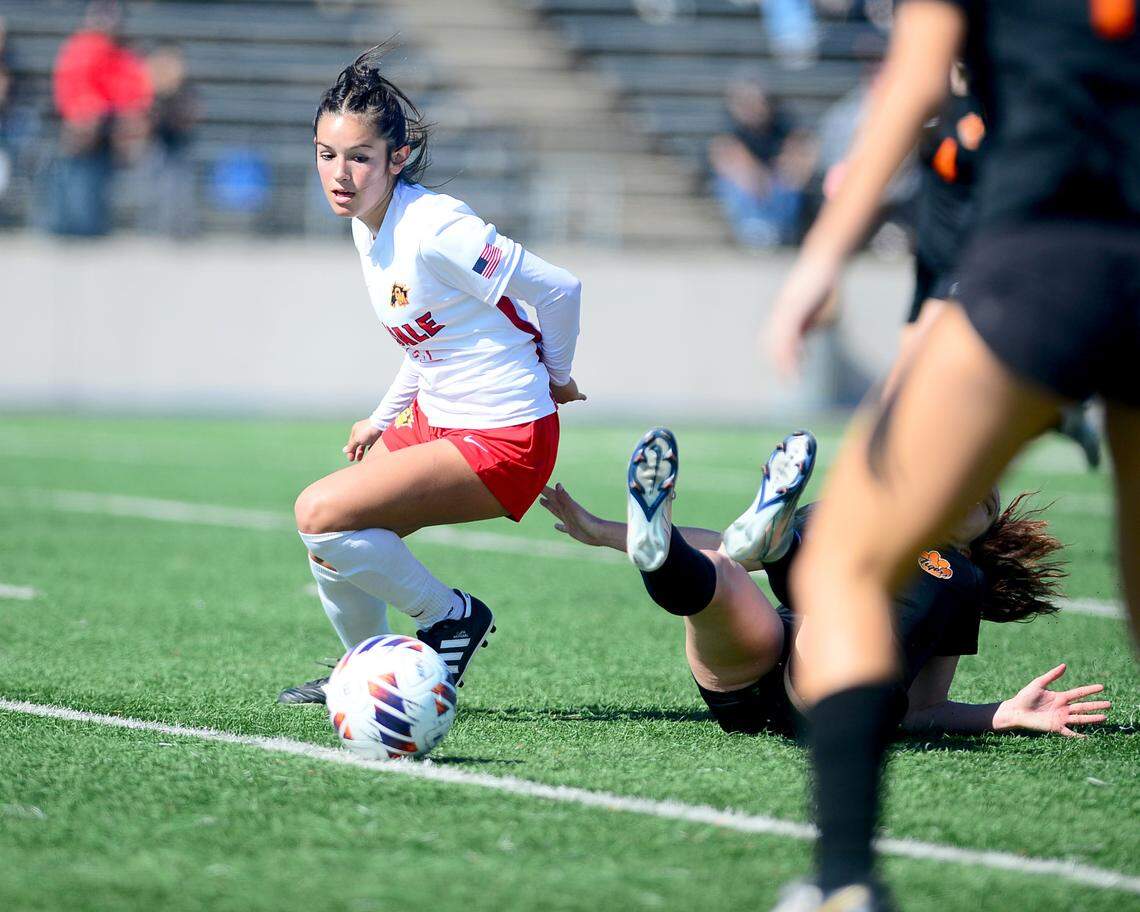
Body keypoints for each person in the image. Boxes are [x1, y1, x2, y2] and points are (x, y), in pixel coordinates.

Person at [762, 1, 1139, 908]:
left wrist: (822, 257)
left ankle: (845, 881)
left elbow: (916, 78)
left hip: (1052, 256)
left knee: (846, 561)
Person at [279, 47, 585, 704]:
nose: (339, 173)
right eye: (326, 154)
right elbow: (430, 343)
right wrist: (381, 419)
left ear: (398, 155)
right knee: (332, 539)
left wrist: (559, 376)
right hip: (439, 418)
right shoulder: (369, 222)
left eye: (359, 156)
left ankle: (449, 617)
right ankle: (365, 673)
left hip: (505, 434)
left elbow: (559, 290)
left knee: (319, 512)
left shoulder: (437, 229)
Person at [539, 427, 1108, 742]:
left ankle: (779, 546)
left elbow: (924, 706)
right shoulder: (856, 516)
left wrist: (1002, 713)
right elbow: (719, 538)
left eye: (987, 502)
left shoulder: (963, 578)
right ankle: (660, 554)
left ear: (981, 536)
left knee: (844, 609)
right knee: (725, 573)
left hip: (833, 694)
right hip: (751, 672)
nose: (979, 492)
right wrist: (601, 531)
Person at [50, 0, 152, 236]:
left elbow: (132, 87)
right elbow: (72, 86)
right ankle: (76, 225)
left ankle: (93, 225)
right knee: (80, 175)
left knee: (99, 177)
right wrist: (82, 113)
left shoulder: (120, 52)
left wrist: (129, 113)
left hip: (108, 121)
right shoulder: (80, 48)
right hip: (83, 122)